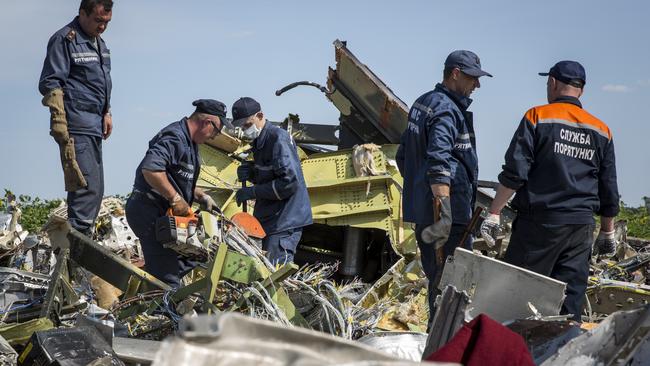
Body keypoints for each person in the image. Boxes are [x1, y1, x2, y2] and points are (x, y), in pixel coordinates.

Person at [480, 61, 619, 321]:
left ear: (553, 83)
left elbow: (515, 173)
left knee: (517, 297)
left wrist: (494, 213)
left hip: (540, 226)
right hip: (580, 229)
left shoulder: (537, 117)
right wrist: (607, 231)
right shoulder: (602, 130)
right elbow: (608, 187)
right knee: (569, 305)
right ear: (582, 90)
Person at [396, 50, 492, 318]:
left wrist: (420, 194)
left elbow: (405, 156)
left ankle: (438, 341)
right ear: (456, 74)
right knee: (451, 288)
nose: (477, 85)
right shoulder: (447, 110)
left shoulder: (423, 103)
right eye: (473, 78)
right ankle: (444, 345)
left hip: (430, 213)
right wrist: (445, 213)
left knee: (439, 282)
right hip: (448, 220)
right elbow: (439, 163)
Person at [125, 99, 229, 286]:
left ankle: (149, 282)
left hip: (162, 215)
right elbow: (151, 170)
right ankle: (161, 305)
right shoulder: (175, 137)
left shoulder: (191, 143)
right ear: (207, 122)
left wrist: (200, 196)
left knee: (198, 254)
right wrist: (175, 198)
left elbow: (175, 177)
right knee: (168, 280)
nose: (214, 137)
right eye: (216, 131)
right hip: (148, 212)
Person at [39, 0, 114, 236]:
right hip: (77, 125)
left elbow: (99, 83)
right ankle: (76, 262)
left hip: (94, 125)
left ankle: (78, 254)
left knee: (96, 190)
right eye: (98, 20)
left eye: (107, 22)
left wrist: (107, 111)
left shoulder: (99, 43)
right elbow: (51, 83)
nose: (102, 27)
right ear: (82, 13)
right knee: (85, 190)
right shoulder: (65, 39)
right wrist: (59, 122)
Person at [231, 97, 312, 265]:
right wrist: (252, 173)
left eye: (247, 125)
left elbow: (289, 183)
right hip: (272, 219)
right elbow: (271, 174)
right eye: (242, 127)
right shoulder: (261, 141)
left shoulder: (278, 139)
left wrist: (252, 192)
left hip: (285, 220)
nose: (245, 131)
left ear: (260, 116)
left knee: (274, 275)